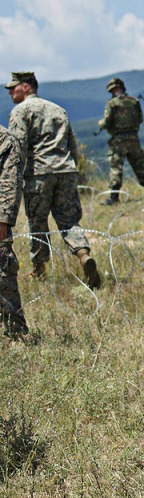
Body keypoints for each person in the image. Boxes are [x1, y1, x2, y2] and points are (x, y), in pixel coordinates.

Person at [6, 71, 101, 289]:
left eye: (14, 87)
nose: (11, 91)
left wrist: (12, 175)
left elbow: (18, 146)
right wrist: (73, 167)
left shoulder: (20, 111)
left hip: (38, 172)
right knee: (69, 220)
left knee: (38, 222)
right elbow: (71, 142)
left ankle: (39, 270)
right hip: (65, 170)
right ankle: (84, 255)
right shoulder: (59, 109)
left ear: (27, 87)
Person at [97, 77, 144, 205]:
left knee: (116, 167)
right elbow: (140, 119)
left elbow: (107, 122)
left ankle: (114, 197)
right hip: (134, 138)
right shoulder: (134, 101)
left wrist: (101, 124)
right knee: (139, 165)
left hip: (118, 140)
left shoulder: (112, 104)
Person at [0, 123, 29, 339]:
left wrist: (4, 219)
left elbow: (9, 182)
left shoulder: (3, 139)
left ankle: (16, 331)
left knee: (3, 270)